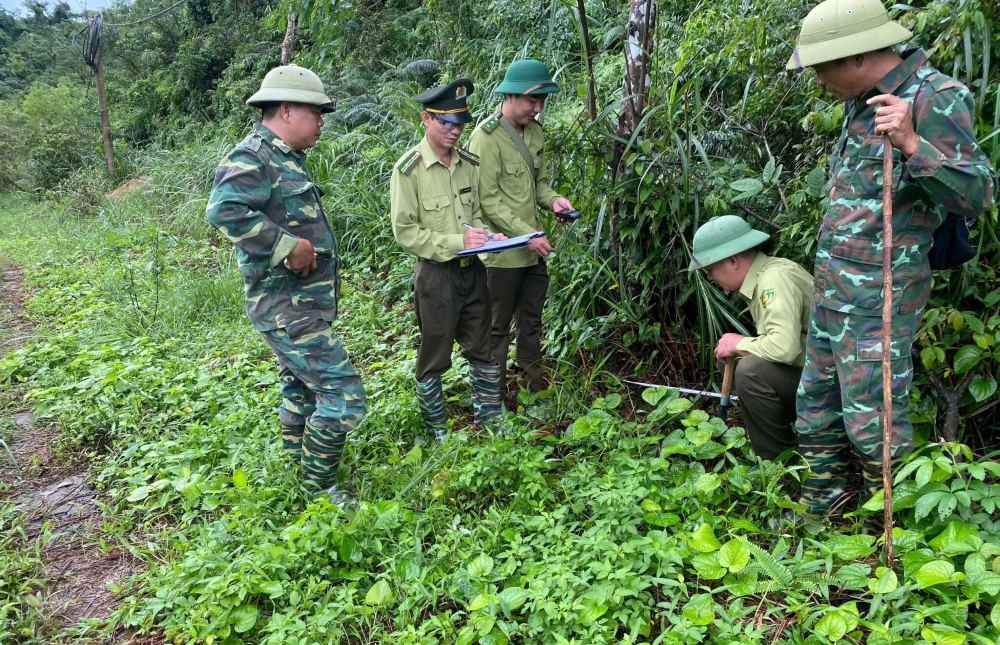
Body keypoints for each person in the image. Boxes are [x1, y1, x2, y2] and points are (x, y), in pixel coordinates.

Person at [786, 0, 995, 513]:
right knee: (815, 409)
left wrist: (910, 142)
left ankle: (902, 528)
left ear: (854, 57)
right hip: (837, 287)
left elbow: (977, 194)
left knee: (873, 422)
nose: (817, 80)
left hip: (881, 293)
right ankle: (827, 510)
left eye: (820, 68)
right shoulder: (862, 100)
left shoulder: (935, 97)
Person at [206, 65, 367, 505]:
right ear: (285, 109)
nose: (321, 121)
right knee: (343, 394)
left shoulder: (284, 159)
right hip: (286, 307)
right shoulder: (253, 156)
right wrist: (284, 246)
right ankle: (320, 489)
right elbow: (224, 210)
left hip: (300, 305)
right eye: (315, 112)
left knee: (301, 387)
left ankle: (300, 465)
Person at [390, 79, 505, 441]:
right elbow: (405, 232)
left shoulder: (469, 164)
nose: (455, 131)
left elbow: (476, 216)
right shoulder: (409, 170)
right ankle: (438, 429)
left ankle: (491, 420)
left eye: (460, 124)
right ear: (426, 118)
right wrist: (457, 242)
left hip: (474, 272)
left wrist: (488, 237)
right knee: (435, 353)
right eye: (446, 123)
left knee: (483, 348)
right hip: (436, 276)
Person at [468, 59, 575, 396]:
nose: (538, 108)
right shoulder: (485, 138)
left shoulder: (536, 133)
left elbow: (538, 184)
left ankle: (534, 384)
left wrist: (555, 200)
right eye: (532, 100)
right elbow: (488, 201)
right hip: (502, 254)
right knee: (497, 328)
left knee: (532, 320)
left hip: (534, 251)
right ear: (511, 96)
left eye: (542, 101)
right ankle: (492, 395)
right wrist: (525, 236)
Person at [689, 215, 813, 459]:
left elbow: (785, 348)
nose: (711, 278)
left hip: (835, 383)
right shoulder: (766, 277)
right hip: (821, 373)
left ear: (733, 261)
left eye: (710, 270)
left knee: (751, 371)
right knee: (751, 364)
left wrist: (739, 344)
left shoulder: (773, 280)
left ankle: (779, 466)